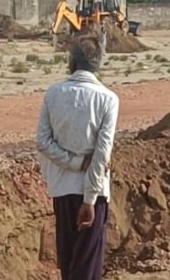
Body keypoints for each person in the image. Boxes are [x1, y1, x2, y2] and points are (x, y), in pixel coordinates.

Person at [35, 33, 119, 280]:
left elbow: (43, 142)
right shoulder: (108, 99)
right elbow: (102, 154)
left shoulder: (53, 94)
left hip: (62, 190)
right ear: (99, 62)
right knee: (87, 271)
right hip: (93, 193)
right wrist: (90, 201)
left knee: (69, 266)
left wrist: (71, 163)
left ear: (72, 61)